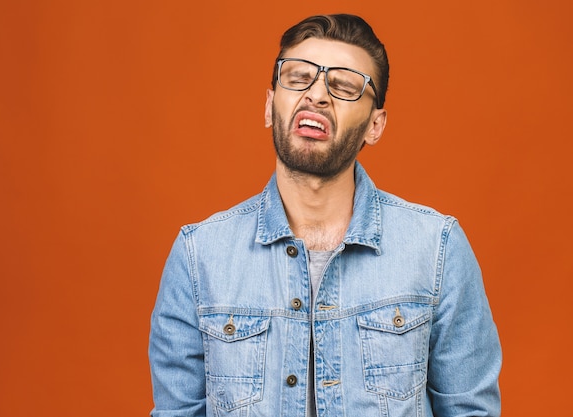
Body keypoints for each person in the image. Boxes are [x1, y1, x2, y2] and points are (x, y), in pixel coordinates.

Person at [148, 13, 502, 417]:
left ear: (375, 126)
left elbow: (471, 409)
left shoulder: (437, 249)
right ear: (269, 106)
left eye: (345, 85)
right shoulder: (199, 257)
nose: (316, 94)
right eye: (298, 77)